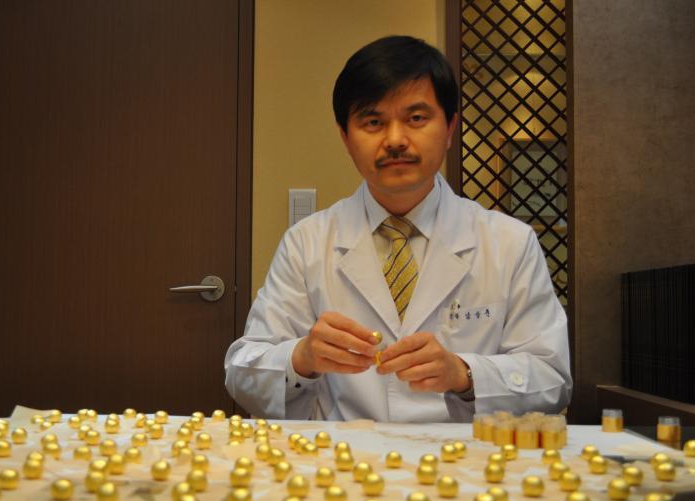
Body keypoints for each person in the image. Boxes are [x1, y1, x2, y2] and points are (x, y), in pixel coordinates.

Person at [225, 35, 571, 422]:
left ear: (450, 128)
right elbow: (243, 371)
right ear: (346, 137)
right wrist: (301, 357)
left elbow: (552, 379)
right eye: (373, 122)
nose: (394, 140)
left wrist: (465, 374)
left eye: (416, 119)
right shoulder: (307, 243)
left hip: (467, 455)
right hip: (346, 454)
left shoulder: (510, 242)